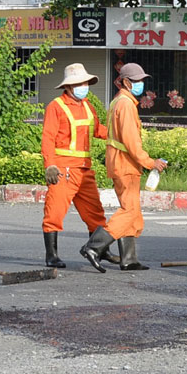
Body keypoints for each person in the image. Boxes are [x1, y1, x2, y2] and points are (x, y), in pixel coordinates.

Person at [79, 62, 168, 271]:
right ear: (126, 82)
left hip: (119, 161)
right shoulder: (126, 105)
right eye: (136, 81)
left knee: (133, 212)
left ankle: (128, 259)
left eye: (141, 81)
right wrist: (149, 162)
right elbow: (131, 141)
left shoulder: (119, 101)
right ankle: (94, 247)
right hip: (125, 162)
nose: (140, 85)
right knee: (128, 211)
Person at [41, 63, 110, 270]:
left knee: (96, 214)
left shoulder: (88, 106)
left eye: (86, 82)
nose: (84, 86)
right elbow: (48, 137)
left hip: (84, 170)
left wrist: (121, 133)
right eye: (80, 83)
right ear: (69, 86)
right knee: (54, 213)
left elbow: (99, 130)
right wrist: (50, 164)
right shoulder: (56, 106)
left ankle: (100, 250)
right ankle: (51, 256)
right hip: (63, 170)